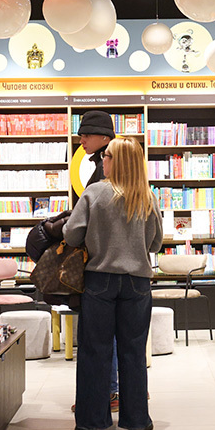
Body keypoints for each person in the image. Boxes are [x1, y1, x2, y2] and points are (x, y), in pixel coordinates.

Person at [64, 137, 162, 430]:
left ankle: (93, 422)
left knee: (95, 351)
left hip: (100, 279)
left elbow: (71, 235)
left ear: (115, 162)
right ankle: (137, 420)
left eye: (106, 156)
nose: (102, 161)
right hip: (138, 282)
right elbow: (155, 243)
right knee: (133, 352)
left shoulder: (95, 193)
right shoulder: (147, 196)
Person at [74, 110, 121, 412]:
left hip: (101, 264)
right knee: (116, 336)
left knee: (100, 335)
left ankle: (109, 393)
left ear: (104, 138)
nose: (81, 140)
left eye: (86, 135)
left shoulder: (105, 171)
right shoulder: (106, 167)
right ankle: (117, 392)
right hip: (122, 267)